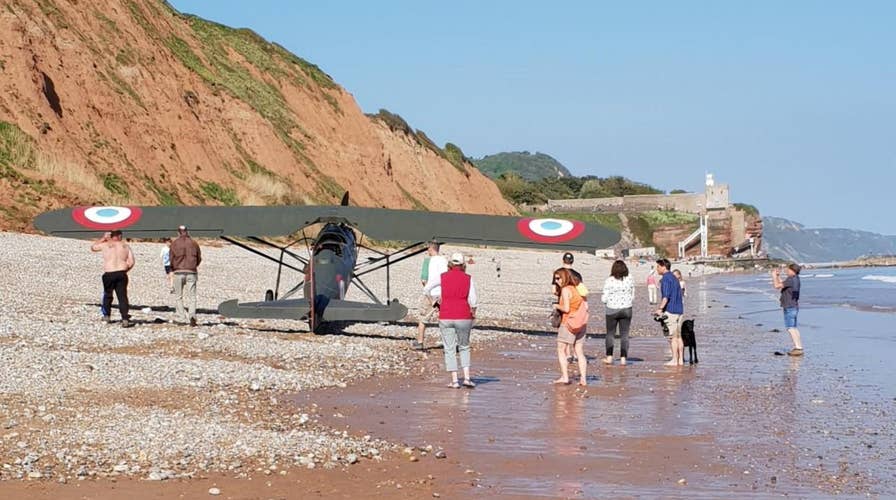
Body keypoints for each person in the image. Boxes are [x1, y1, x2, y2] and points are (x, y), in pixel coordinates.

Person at [435, 252, 478, 389]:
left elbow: (428, 288)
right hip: (463, 315)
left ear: (450, 264)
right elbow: (473, 300)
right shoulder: (468, 278)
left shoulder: (442, 277)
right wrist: (474, 312)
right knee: (464, 346)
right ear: (463, 264)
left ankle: (454, 381)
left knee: (449, 348)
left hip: (446, 315)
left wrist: (435, 301)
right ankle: (467, 378)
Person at [90, 230, 135, 328]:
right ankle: (125, 318)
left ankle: (107, 315)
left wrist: (103, 238)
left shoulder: (105, 245)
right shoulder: (125, 246)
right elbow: (131, 261)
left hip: (109, 272)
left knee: (108, 295)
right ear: (119, 236)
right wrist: (125, 270)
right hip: (121, 273)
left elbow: (93, 247)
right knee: (122, 296)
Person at [552, 268, 588, 386]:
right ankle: (583, 379)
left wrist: (556, 305)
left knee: (561, 349)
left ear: (564, 277)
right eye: (555, 279)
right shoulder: (578, 288)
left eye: (558, 278)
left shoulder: (566, 290)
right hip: (581, 323)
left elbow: (566, 309)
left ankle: (565, 377)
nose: (556, 281)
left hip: (568, 323)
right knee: (579, 351)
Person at [414, 241, 448, 350]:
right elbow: (446, 278)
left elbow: (423, 279)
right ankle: (447, 343)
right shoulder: (444, 260)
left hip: (430, 293)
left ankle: (420, 342)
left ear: (430, 248)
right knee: (444, 320)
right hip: (442, 293)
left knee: (423, 318)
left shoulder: (428, 261)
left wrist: (427, 292)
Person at [602, 260, 634, 366]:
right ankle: (623, 359)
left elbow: (604, 298)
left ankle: (609, 357)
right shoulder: (629, 278)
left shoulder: (609, 280)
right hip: (627, 308)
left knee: (610, 334)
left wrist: (606, 301)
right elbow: (633, 293)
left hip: (612, 309)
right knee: (624, 334)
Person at [170, 225, 202, 326]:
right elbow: (199, 258)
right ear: (187, 232)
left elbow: (170, 259)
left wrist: (173, 268)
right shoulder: (194, 243)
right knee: (192, 296)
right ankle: (192, 316)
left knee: (178, 296)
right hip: (191, 271)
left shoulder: (174, 243)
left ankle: (181, 318)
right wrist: (194, 266)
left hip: (178, 272)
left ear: (178, 232)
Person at [655, 258, 684, 366]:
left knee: (672, 337)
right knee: (679, 337)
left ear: (663, 266)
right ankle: (680, 360)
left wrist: (660, 309)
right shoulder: (675, 278)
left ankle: (675, 360)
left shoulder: (666, 279)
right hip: (679, 310)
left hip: (671, 310)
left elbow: (665, 297)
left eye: (658, 266)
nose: (657, 269)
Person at [772, 263, 803, 356]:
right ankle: (799, 347)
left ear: (792, 270)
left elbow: (777, 286)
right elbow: (782, 285)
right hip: (794, 306)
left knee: (790, 328)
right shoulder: (796, 279)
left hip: (789, 306)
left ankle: (798, 348)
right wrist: (778, 276)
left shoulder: (791, 279)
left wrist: (774, 276)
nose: (786, 271)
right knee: (794, 328)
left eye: (788, 270)